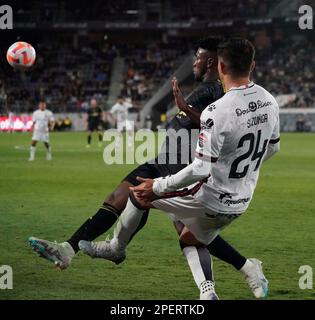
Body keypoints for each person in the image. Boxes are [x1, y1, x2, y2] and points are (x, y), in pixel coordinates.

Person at [28, 37, 265, 299]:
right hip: (163, 159)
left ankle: (230, 276)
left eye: (197, 58)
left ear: (211, 62)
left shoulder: (217, 91)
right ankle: (69, 249)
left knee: (190, 233)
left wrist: (186, 109)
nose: (193, 63)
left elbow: (218, 125)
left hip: (182, 166)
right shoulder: (209, 89)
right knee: (117, 198)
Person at [96, 38, 280, 299]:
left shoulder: (215, 112)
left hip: (210, 197)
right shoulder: (268, 101)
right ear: (253, 65)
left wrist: (158, 185)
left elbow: (200, 169)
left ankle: (115, 247)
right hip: (242, 200)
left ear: (221, 68)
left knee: (140, 194)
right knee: (190, 237)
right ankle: (226, 282)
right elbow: (273, 148)